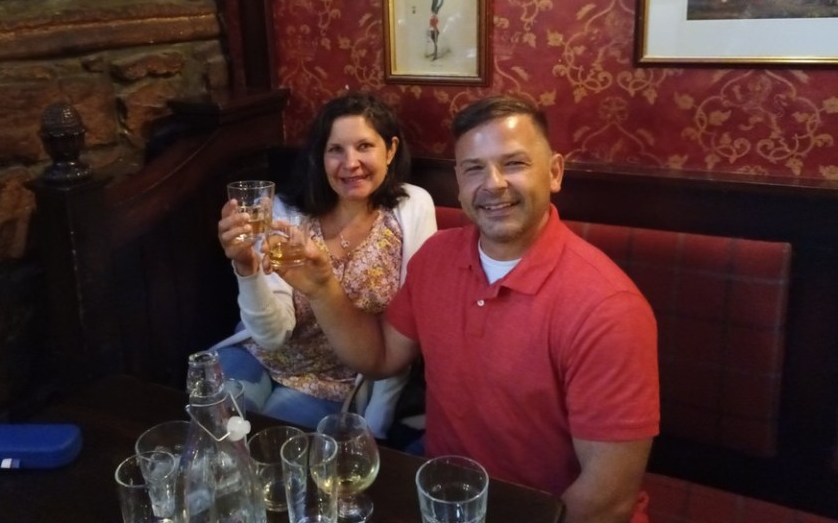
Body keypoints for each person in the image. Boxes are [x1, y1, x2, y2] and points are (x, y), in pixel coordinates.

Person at [277, 95, 660, 523]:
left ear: (554, 173)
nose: (493, 183)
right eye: (474, 168)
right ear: (458, 183)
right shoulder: (437, 257)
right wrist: (322, 287)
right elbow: (380, 357)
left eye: (513, 163)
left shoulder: (608, 309)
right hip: (445, 496)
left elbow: (608, 500)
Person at [214, 92, 437, 436]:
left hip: (335, 382)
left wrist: (375, 427)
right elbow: (271, 336)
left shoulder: (412, 208)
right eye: (336, 150)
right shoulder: (286, 212)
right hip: (259, 355)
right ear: (321, 157)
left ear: (390, 150)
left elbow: (408, 328)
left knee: (269, 447)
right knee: (215, 431)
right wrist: (247, 267)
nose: (350, 163)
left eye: (364, 146)